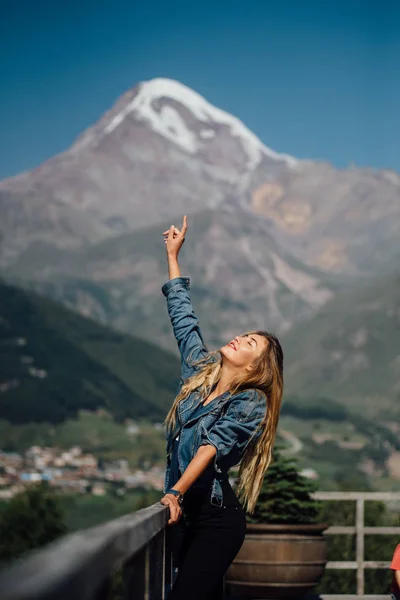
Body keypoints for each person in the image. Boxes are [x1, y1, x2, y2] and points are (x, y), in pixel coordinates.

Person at [160, 215, 284, 600]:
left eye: (249, 344)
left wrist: (175, 493)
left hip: (215, 518)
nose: (238, 339)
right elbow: (184, 319)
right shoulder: (199, 373)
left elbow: (209, 448)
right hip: (182, 512)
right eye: (243, 335)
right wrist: (173, 256)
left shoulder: (251, 402)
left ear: (255, 367)